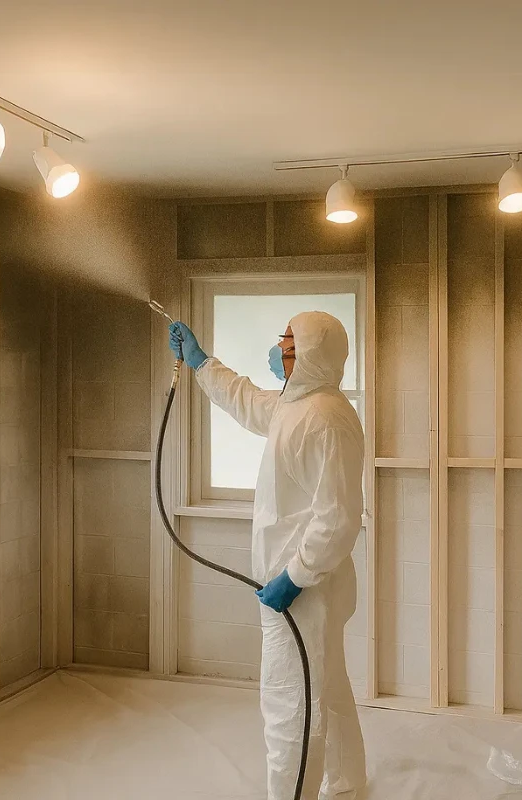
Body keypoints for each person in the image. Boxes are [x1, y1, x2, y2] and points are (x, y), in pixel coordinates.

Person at [169, 311, 367, 800]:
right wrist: (200, 362)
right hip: (309, 588)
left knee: (291, 704)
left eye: (288, 342)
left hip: (303, 593)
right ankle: (345, 784)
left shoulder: (324, 420)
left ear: (310, 356)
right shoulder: (297, 406)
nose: (278, 349)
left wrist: (293, 578)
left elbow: (337, 518)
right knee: (328, 690)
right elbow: (247, 400)